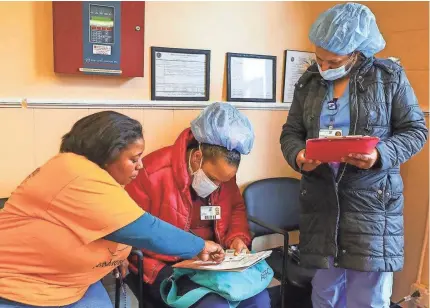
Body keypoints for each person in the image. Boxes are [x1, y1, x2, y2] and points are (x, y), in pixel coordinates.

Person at [280, 3, 428, 307]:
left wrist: (379, 154)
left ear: (357, 52)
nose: (322, 66)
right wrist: (298, 156)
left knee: (368, 296)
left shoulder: (388, 78)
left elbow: (416, 131)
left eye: (332, 60)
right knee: (325, 292)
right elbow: (290, 133)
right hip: (322, 203)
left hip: (371, 205)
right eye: (318, 58)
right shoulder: (309, 82)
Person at [0, 111, 225, 308]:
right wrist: (199, 246)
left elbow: (105, 224)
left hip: (72, 284)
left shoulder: (92, 178)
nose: (141, 165)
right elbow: (144, 229)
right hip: (21, 288)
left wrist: (119, 255)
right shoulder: (75, 174)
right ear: (108, 153)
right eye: (134, 158)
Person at [125, 102, 271, 307]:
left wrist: (237, 239)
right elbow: (130, 229)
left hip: (211, 261)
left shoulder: (224, 176)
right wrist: (188, 254)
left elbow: (236, 208)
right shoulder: (151, 173)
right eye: (213, 178)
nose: (218, 186)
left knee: (259, 299)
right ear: (197, 157)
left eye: (224, 180)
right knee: (213, 305)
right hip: (164, 264)